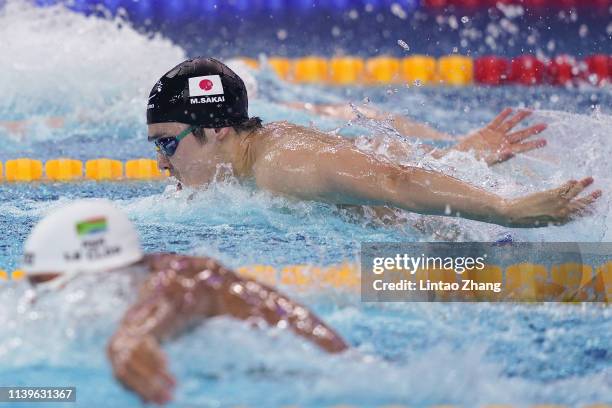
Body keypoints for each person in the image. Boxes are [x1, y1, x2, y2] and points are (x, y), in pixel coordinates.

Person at [147, 57, 601, 228]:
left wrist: (509, 211)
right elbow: (368, 178)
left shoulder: (282, 163)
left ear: (219, 128)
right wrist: (458, 159)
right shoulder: (258, 156)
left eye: (167, 144)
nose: (162, 165)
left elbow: (393, 179)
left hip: (447, 248)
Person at [21, 199, 348, 404]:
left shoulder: (185, 278)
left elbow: (193, 281)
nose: (40, 303)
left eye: (55, 289)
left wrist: (134, 332)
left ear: (109, 275)